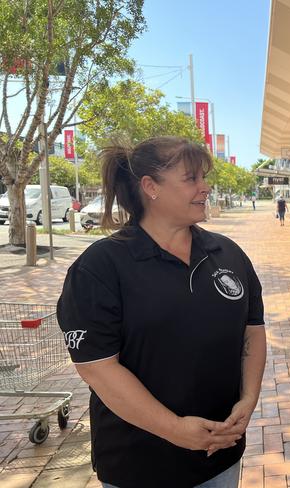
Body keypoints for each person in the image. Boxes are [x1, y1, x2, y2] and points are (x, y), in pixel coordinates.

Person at [56, 136, 266, 488]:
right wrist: (174, 430)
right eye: (191, 179)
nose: (205, 187)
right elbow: (98, 369)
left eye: (204, 177)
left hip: (221, 456)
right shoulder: (100, 268)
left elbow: (252, 330)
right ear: (150, 187)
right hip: (140, 465)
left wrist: (248, 398)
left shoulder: (227, 253)